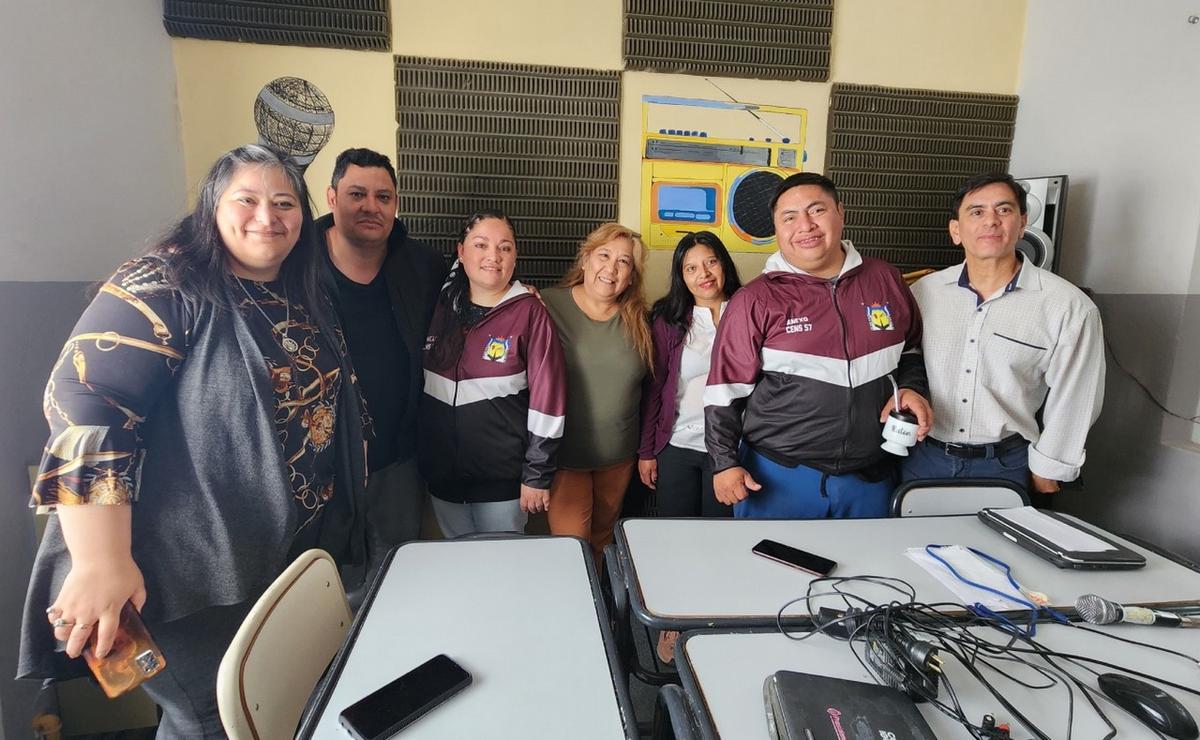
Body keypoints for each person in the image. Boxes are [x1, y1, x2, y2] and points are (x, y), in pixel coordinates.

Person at [19, 144, 366, 738]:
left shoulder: (298, 289)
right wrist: (102, 560)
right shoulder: (166, 281)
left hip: (276, 557)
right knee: (214, 719)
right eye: (247, 199)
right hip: (187, 574)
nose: (268, 216)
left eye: (284, 203)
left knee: (272, 709)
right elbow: (84, 403)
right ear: (211, 207)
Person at [706, 172, 932, 519]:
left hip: (870, 476)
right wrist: (724, 464)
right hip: (778, 477)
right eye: (790, 217)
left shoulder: (885, 279)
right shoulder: (755, 299)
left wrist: (914, 389)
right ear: (776, 228)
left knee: (868, 571)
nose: (805, 226)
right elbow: (724, 392)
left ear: (840, 212)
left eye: (817, 210)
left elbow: (911, 351)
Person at [901, 172, 1105, 494]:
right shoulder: (924, 293)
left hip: (1007, 464)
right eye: (977, 212)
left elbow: (1076, 395)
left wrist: (1047, 468)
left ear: (1022, 224)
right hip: (924, 457)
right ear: (956, 230)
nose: (991, 221)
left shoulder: (1067, 306)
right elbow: (905, 356)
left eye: (1004, 210)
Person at [317, 148, 446, 584]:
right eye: (357, 194)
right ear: (332, 197)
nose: (371, 206)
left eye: (384, 197)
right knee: (327, 583)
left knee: (396, 576)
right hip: (324, 466)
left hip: (399, 461)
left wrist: (523, 300)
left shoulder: (422, 265)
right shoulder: (295, 264)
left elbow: (478, 293)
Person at [419, 211, 567, 536]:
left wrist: (536, 476)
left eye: (505, 248)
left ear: (515, 257)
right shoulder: (441, 304)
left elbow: (549, 404)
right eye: (481, 245)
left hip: (503, 483)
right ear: (461, 252)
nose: (492, 257)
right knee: (458, 566)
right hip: (444, 478)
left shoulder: (530, 313)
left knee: (503, 572)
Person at [542, 223, 653, 563]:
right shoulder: (545, 304)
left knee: (603, 540)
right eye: (604, 256)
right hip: (565, 457)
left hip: (618, 457)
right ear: (586, 259)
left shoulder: (641, 320)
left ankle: (601, 610)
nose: (612, 269)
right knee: (571, 548)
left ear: (632, 276)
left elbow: (652, 391)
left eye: (624, 262)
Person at [638, 231, 743, 518]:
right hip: (677, 447)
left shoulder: (747, 311)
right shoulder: (668, 319)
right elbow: (654, 389)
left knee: (721, 535)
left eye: (712, 262)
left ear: (725, 264)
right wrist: (646, 451)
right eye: (691, 268)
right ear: (681, 276)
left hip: (731, 451)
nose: (704, 274)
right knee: (676, 534)